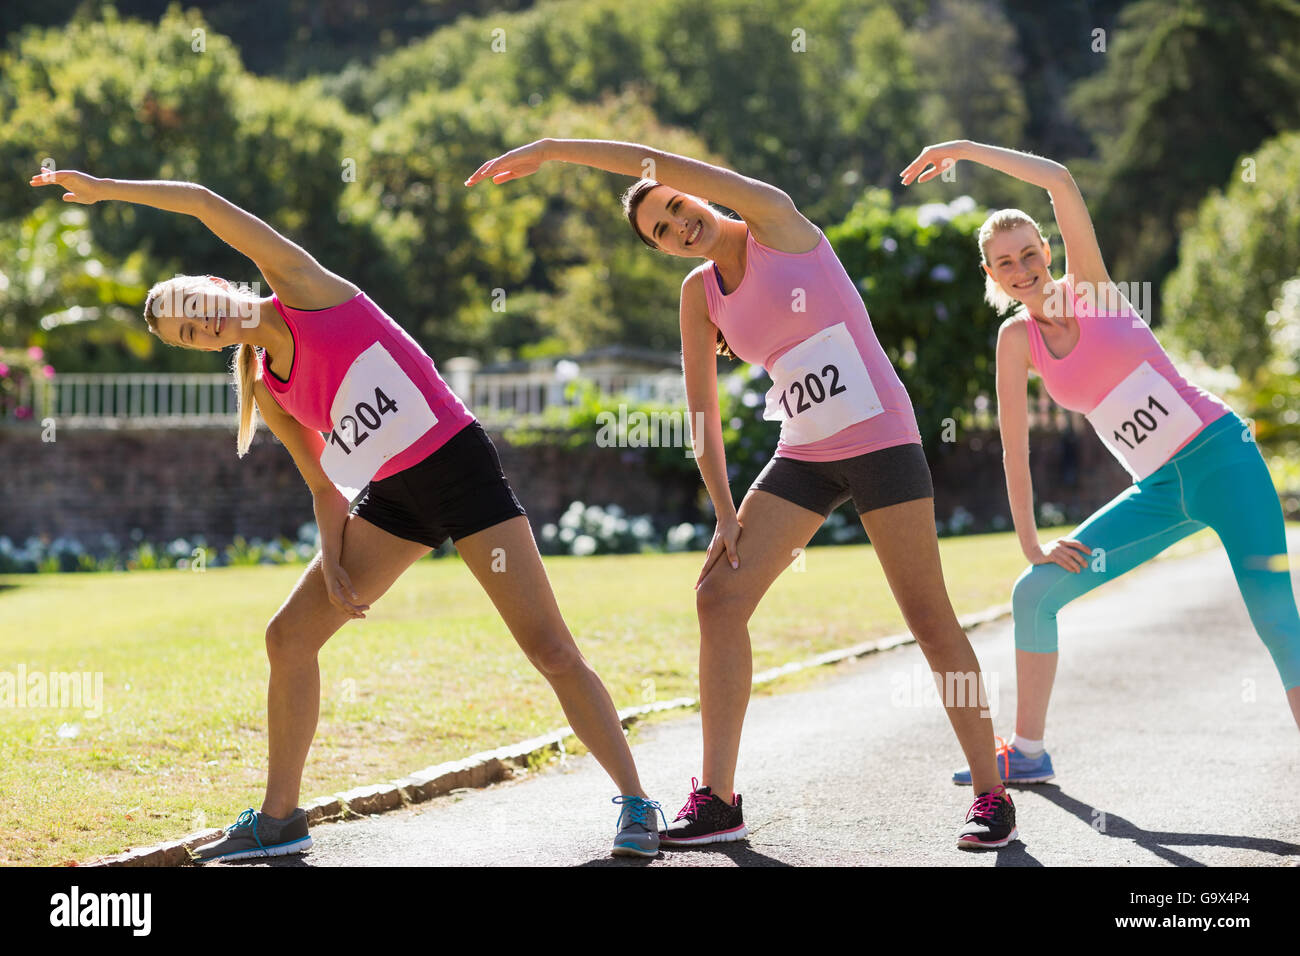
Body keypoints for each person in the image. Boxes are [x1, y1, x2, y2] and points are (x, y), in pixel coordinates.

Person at [28, 166, 666, 860]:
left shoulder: (303, 287)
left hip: (458, 467)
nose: (200, 322)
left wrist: (104, 188)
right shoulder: (270, 388)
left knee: (550, 649)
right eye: (189, 334)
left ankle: (637, 802)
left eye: (193, 306)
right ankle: (280, 821)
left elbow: (202, 201)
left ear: (214, 287)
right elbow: (326, 486)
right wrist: (332, 559)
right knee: (288, 637)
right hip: (393, 499)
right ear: (203, 347)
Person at [466, 139, 1017, 849]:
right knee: (717, 598)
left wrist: (554, 152)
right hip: (806, 453)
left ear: (694, 192)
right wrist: (726, 511)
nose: (677, 226)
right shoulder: (700, 293)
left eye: (675, 208)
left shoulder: (775, 224)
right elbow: (702, 417)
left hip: (881, 439)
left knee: (930, 620)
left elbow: (648, 160)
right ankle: (719, 798)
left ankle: (991, 792)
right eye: (661, 232)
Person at [898, 140, 1300, 785]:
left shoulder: (1094, 290)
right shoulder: (1014, 339)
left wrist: (964, 149)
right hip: (1160, 492)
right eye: (1006, 263)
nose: (1022, 267)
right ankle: (1027, 752)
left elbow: (1057, 178)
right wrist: (1031, 542)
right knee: (1034, 594)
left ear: (1047, 252)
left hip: (1223, 460)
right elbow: (1013, 445)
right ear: (993, 276)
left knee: (1278, 622)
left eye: (1030, 252)